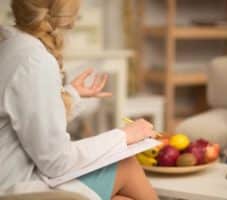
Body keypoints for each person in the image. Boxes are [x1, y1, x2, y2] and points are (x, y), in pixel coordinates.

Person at [0, 0, 158, 199]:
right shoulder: (34, 60)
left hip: (11, 178)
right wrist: (124, 136)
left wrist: (71, 95)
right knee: (126, 166)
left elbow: (26, 116)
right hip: (14, 189)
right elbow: (56, 162)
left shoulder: (9, 44)